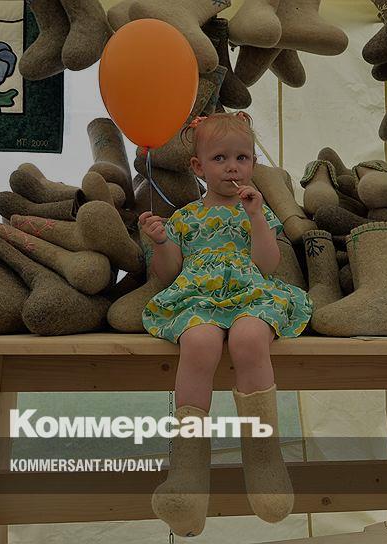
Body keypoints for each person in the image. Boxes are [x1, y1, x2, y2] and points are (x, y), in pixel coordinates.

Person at [139, 112, 312, 536]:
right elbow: (168, 273)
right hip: (199, 297)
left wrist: (256, 217)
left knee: (250, 338)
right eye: (220, 158)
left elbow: (268, 263)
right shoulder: (185, 217)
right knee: (198, 343)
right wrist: (160, 242)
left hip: (250, 293)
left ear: (253, 163)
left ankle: (264, 458)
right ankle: (188, 471)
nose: (232, 167)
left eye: (242, 157)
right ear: (198, 167)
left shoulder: (258, 211)